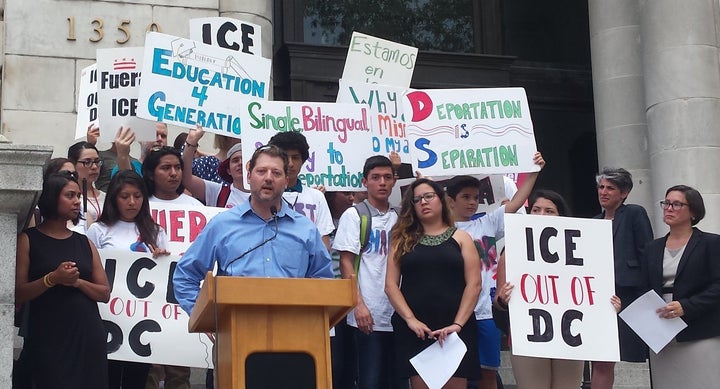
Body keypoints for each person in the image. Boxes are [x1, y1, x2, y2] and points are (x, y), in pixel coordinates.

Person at [495, 190, 621, 389]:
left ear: (561, 216)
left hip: (570, 335)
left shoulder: (583, 251)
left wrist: (609, 304)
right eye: (536, 210)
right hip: (529, 335)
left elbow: (594, 289)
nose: (541, 215)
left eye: (549, 211)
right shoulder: (512, 250)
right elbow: (499, 303)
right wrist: (503, 298)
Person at [445, 152, 544, 389]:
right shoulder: (440, 230)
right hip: (453, 312)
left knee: (487, 372)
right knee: (453, 373)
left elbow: (517, 201)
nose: (471, 202)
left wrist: (533, 172)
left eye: (475, 197)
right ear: (450, 200)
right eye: (465, 197)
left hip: (485, 312)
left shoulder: (487, 223)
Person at [15, 171, 111, 388]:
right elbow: (19, 292)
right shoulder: (28, 240)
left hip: (86, 333)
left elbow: (104, 292)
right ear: (51, 197)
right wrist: (52, 278)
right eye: (70, 195)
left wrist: (77, 282)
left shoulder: (84, 242)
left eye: (78, 195)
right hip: (48, 334)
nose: (77, 201)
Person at [385, 178, 481, 389]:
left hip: (456, 329)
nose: (423, 202)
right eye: (417, 199)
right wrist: (410, 320)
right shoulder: (400, 240)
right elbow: (391, 285)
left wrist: (457, 325)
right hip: (417, 330)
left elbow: (474, 285)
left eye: (429, 196)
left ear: (442, 200)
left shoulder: (462, 238)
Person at [86, 170, 169, 389]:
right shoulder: (98, 230)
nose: (132, 202)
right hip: (107, 316)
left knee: (137, 378)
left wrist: (161, 257)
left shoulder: (156, 231)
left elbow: (163, 276)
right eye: (125, 197)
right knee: (107, 377)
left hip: (140, 319)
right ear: (114, 198)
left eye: (137, 196)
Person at [333, 155, 407, 389]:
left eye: (387, 177)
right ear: (365, 182)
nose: (382, 182)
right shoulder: (354, 216)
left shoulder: (401, 218)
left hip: (398, 314)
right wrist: (359, 305)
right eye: (375, 178)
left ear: (395, 180)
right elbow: (346, 262)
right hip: (368, 315)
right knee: (369, 380)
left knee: (397, 381)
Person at [641, 185, 720, 388]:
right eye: (666, 203)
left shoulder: (711, 243)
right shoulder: (652, 247)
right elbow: (645, 287)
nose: (669, 208)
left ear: (693, 211)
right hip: (661, 333)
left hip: (700, 332)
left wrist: (687, 306)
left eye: (676, 204)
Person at [591, 168, 653, 389]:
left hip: (629, 294)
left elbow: (647, 252)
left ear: (624, 193)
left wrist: (648, 295)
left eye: (610, 188)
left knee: (635, 351)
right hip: (599, 298)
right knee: (601, 356)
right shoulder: (593, 221)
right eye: (601, 187)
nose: (604, 192)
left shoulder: (634, 213)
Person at [268, 131, 335, 248]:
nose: (290, 164)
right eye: (284, 157)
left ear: (303, 161)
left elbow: (323, 242)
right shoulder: (264, 195)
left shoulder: (317, 197)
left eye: (295, 158)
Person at [326, 190, 359, 389]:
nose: (351, 198)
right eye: (346, 193)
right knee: (334, 361)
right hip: (329, 301)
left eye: (353, 193)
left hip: (352, 300)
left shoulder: (357, 217)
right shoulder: (320, 219)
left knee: (351, 361)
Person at [182, 126, 249, 208]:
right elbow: (186, 178)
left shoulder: (264, 195)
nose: (240, 163)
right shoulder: (218, 192)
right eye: (235, 160)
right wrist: (191, 141)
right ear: (228, 170)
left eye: (245, 160)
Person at [67, 140, 106, 233]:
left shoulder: (106, 196)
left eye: (97, 161)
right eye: (87, 162)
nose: (94, 167)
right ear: (73, 164)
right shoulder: (68, 198)